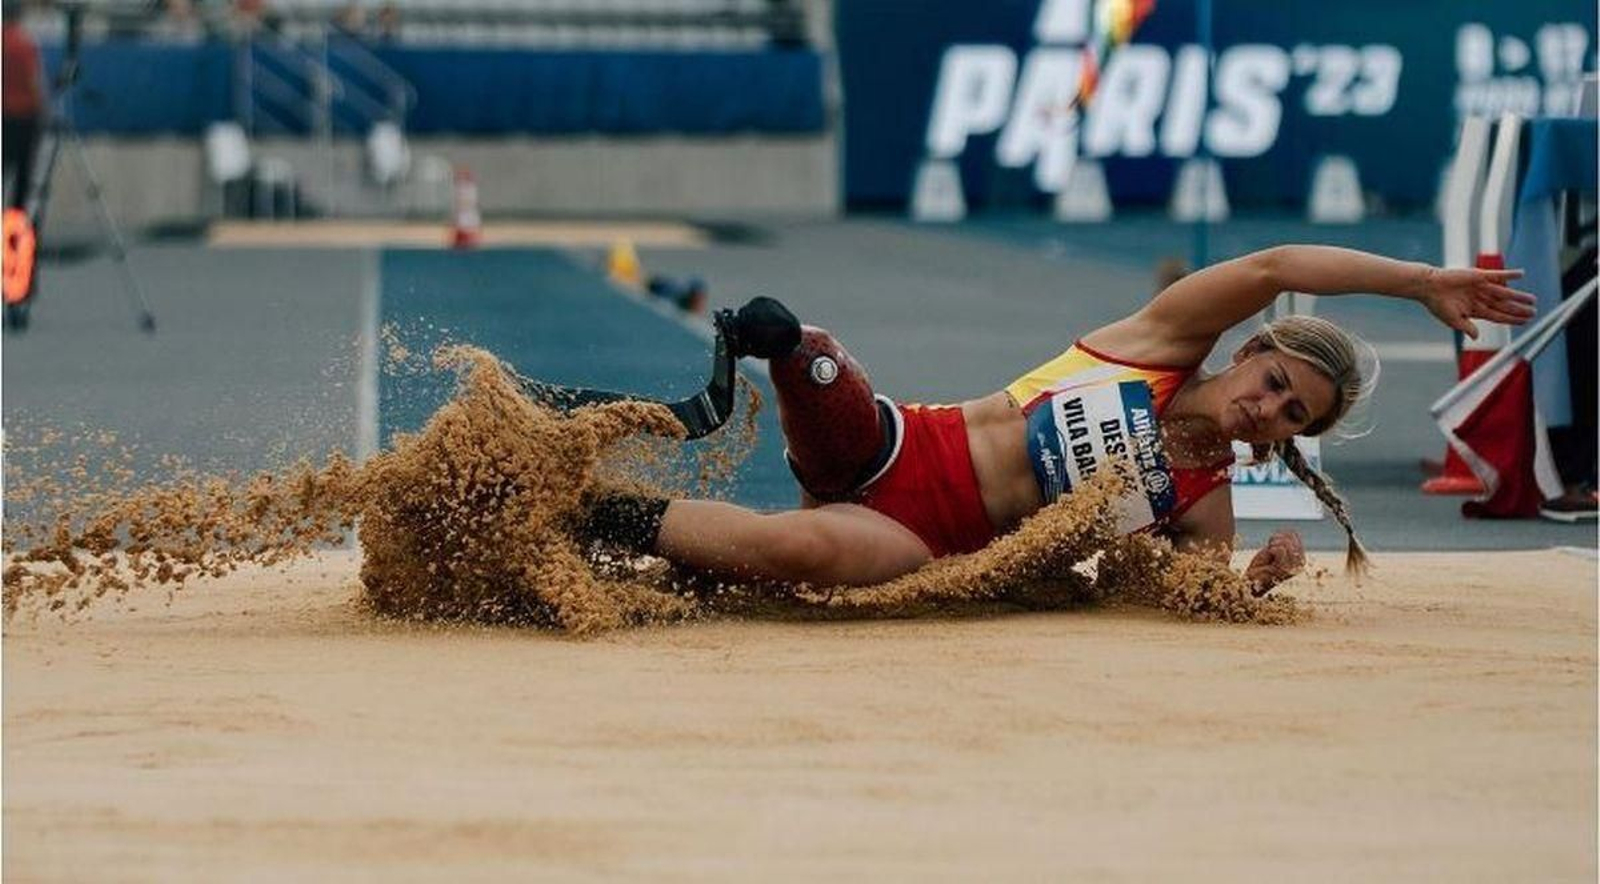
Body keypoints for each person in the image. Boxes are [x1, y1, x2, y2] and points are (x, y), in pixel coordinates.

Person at [576, 245, 1536, 594]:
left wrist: (1253, 588)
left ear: (1288, 438)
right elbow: (1274, 268)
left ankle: (580, 516)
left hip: (913, 538)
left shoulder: (1200, 501)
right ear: (1250, 352)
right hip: (898, 443)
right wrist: (1415, 283)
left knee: (800, 559)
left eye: (1292, 415)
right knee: (803, 344)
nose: (1271, 405)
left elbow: (1177, 596)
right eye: (1278, 379)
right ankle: (700, 382)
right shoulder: (1157, 345)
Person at [3, 0, 46, 210]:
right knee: (22, 178)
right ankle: (14, 236)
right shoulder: (24, 44)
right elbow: (34, 82)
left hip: (3, 116)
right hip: (25, 118)